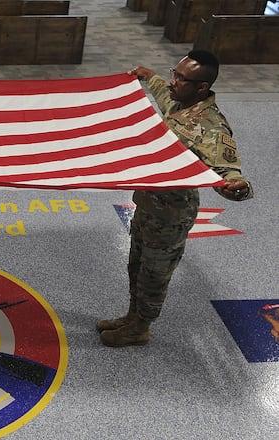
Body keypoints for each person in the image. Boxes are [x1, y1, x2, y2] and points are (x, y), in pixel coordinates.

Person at [97, 50, 253, 347]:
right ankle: (132, 316)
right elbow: (163, 94)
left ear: (202, 87)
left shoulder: (211, 127)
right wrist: (148, 75)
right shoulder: (180, 101)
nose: (172, 82)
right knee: (137, 265)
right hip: (148, 204)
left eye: (181, 79)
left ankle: (140, 328)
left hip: (171, 216)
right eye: (174, 73)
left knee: (154, 275)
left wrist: (236, 186)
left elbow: (229, 172)